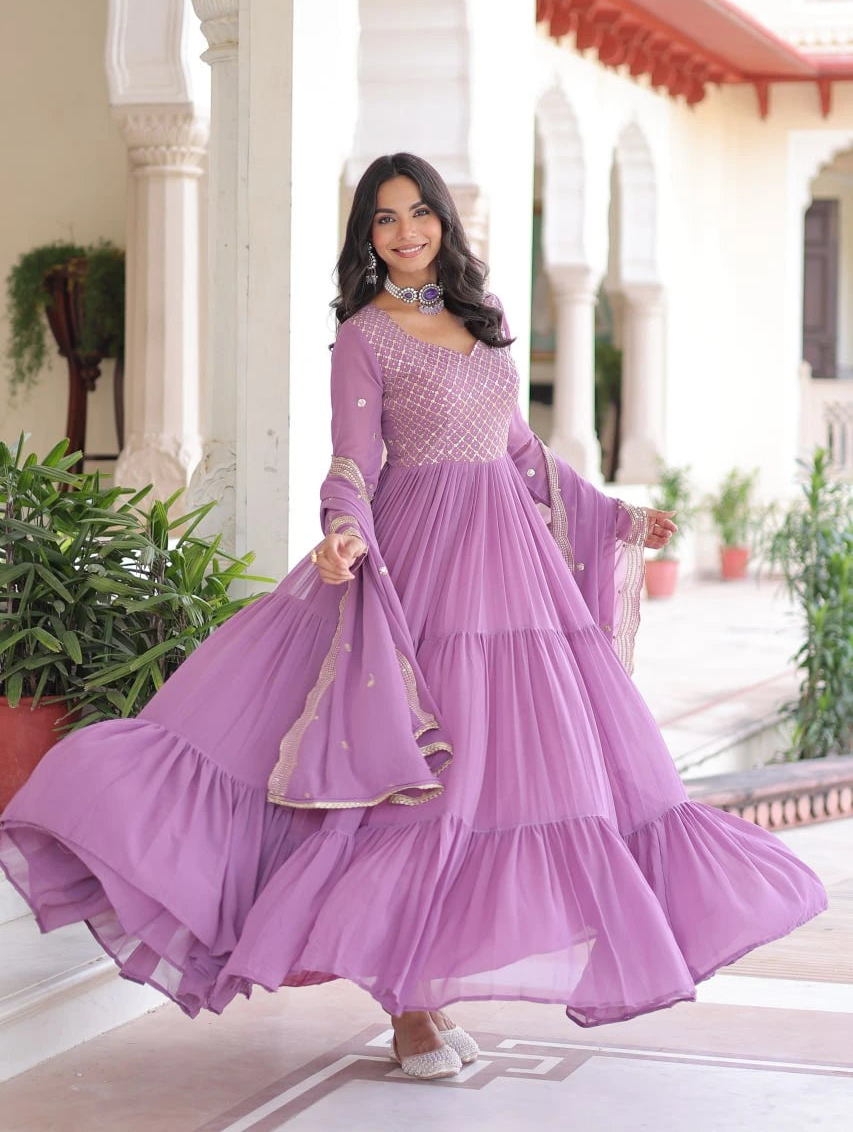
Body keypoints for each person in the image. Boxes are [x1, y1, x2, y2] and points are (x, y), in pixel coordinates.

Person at [0, 153, 827, 1082]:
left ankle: (427, 990)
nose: (405, 232)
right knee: (414, 788)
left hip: (511, 579)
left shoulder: (486, 317)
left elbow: (520, 451)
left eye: (418, 213)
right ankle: (410, 1010)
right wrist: (341, 533)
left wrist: (614, 515)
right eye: (385, 219)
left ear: (443, 220)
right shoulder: (364, 336)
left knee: (493, 783)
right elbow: (352, 461)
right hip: (416, 569)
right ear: (367, 235)